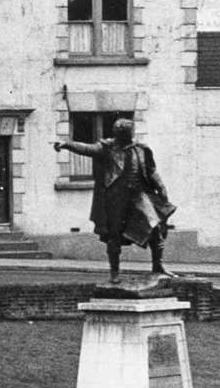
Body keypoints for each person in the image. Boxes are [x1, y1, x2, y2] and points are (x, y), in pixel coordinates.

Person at [53, 118, 177, 283]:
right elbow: (86, 148)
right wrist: (66, 144)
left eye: (127, 133)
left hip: (138, 196)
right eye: (123, 134)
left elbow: (151, 171)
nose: (127, 136)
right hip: (116, 199)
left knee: (154, 227)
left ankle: (158, 266)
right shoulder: (106, 148)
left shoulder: (141, 150)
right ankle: (114, 272)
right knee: (114, 235)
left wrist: (161, 188)